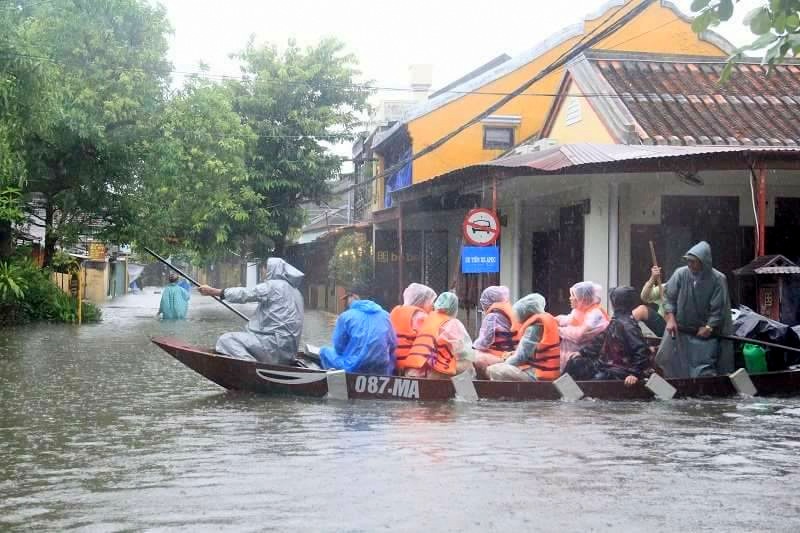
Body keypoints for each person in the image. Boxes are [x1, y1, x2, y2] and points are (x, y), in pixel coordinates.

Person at [198, 258, 304, 365]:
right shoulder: (296, 292)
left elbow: (244, 294)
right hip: (288, 353)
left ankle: (251, 367)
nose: (262, 272)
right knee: (246, 335)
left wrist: (213, 291)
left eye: (264, 269)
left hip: (273, 348)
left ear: (271, 270)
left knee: (226, 340)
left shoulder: (273, 286)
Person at [655, 241, 733, 378]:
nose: (690, 265)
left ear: (704, 262)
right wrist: (670, 319)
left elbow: (718, 309)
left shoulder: (718, 279)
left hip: (702, 336)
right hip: (679, 331)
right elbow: (669, 298)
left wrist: (709, 326)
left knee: (702, 370)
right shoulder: (680, 274)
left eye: (693, 262)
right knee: (667, 362)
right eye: (688, 261)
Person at [564, 286, 654, 386]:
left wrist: (634, 374)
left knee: (597, 380)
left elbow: (642, 350)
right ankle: (563, 390)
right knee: (575, 363)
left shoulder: (628, 325)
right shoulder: (616, 321)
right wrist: (582, 352)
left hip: (620, 370)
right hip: (604, 365)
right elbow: (600, 340)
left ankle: (582, 396)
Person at [320, 285, 396, 375]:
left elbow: (338, 347)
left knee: (324, 351)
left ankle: (336, 382)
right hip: (381, 368)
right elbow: (393, 344)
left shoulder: (346, 316)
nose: (346, 303)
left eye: (346, 299)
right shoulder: (385, 315)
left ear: (353, 297)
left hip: (354, 368)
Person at [487, 293, 561, 382]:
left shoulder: (533, 329)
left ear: (524, 311)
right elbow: (532, 353)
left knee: (492, 369)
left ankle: (508, 394)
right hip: (548, 372)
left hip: (535, 375)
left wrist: (504, 363)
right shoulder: (544, 323)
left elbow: (520, 357)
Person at [404, 291, 476, 379]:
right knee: (468, 366)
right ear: (454, 308)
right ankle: (465, 393)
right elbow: (463, 352)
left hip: (414, 369)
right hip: (435, 370)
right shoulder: (453, 323)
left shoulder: (427, 319)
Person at [556, 281, 610, 371]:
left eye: (573, 296)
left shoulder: (595, 314)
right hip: (570, 359)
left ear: (583, 299)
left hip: (585, 362)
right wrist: (552, 319)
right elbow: (568, 319)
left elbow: (580, 335)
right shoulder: (580, 310)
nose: (570, 298)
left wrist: (557, 330)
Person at [473, 285, 518, 378]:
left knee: (473, 358)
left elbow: (484, 342)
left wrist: (471, 348)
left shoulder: (492, 317)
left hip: (500, 354)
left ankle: (481, 386)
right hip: (509, 352)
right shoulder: (511, 312)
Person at [391, 283, 436, 373]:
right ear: (422, 301)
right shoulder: (422, 317)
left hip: (393, 364)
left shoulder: (394, 312)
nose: (433, 306)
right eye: (431, 301)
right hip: (412, 368)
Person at [632, 266, 666, 337]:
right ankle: (620, 331)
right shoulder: (668, 287)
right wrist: (652, 278)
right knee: (642, 310)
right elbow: (644, 297)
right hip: (664, 326)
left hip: (680, 330)